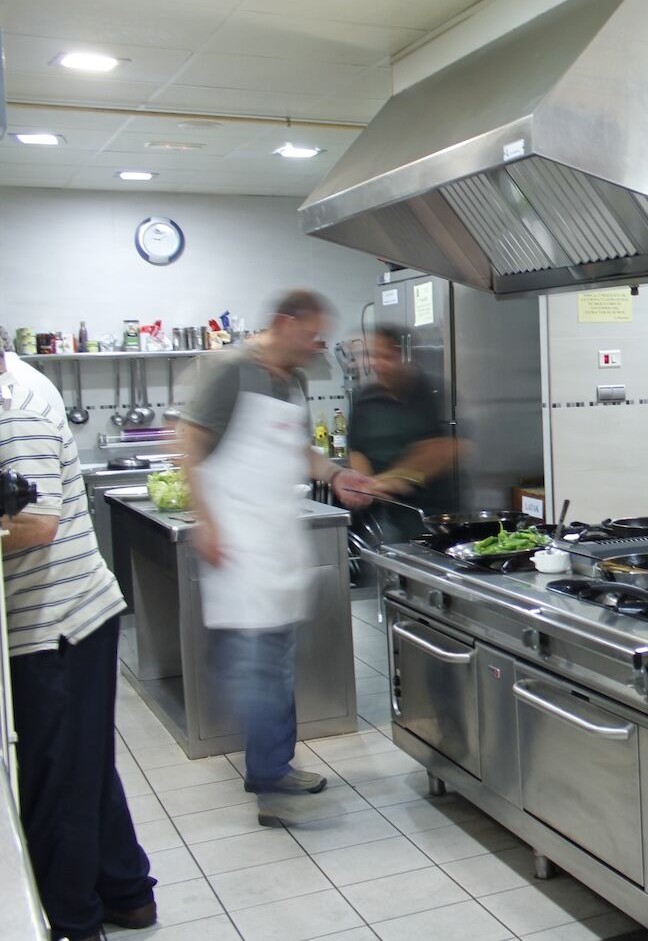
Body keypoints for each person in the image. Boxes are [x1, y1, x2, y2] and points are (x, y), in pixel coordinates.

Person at [181, 290, 372, 808]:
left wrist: (336, 474)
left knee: (275, 658)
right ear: (285, 323)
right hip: (239, 539)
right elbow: (188, 440)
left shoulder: (296, 380)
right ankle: (270, 776)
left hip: (275, 536)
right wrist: (207, 521)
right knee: (258, 663)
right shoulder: (233, 371)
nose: (316, 347)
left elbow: (295, 449)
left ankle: (272, 765)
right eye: (312, 336)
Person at [1, 358, 157, 940]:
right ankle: (125, 892)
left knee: (56, 780)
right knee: (80, 766)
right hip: (65, 617)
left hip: (54, 622)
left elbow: (36, 525)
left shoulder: (13, 407)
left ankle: (72, 922)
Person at [348, 324, 458, 538]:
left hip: (428, 515)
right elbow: (357, 450)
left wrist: (397, 478)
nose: (379, 364)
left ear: (403, 355)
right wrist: (366, 483)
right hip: (380, 515)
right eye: (374, 356)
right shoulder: (365, 398)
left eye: (386, 357)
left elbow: (443, 449)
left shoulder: (430, 392)